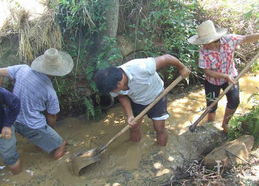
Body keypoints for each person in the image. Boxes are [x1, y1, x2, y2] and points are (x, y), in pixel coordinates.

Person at [94, 55, 190, 146]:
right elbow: (122, 96)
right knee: (134, 127)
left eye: (113, 91)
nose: (112, 93)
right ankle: (133, 149)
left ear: (119, 84)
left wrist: (182, 68)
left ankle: (161, 151)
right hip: (137, 101)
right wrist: (130, 115)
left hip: (157, 97)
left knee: (159, 128)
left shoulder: (141, 67)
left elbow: (167, 58)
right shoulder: (111, 83)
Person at [0, 48, 74, 159]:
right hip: (32, 125)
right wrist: (50, 131)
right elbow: (51, 116)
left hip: (11, 120)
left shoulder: (22, 69)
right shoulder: (50, 92)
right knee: (60, 144)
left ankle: (41, 142)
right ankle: (57, 167)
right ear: (57, 72)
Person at [188, 20, 259, 133]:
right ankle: (209, 127)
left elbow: (246, 38)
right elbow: (207, 71)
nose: (203, 45)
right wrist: (225, 76)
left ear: (214, 40)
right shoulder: (203, 52)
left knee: (234, 101)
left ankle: (225, 124)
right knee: (211, 106)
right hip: (212, 82)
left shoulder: (230, 40)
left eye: (205, 42)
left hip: (232, 77)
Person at [0, 87, 21, 174]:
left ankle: (19, 177)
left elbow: (15, 103)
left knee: (9, 156)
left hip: (2, 129)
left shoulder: (1, 93)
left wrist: (7, 125)